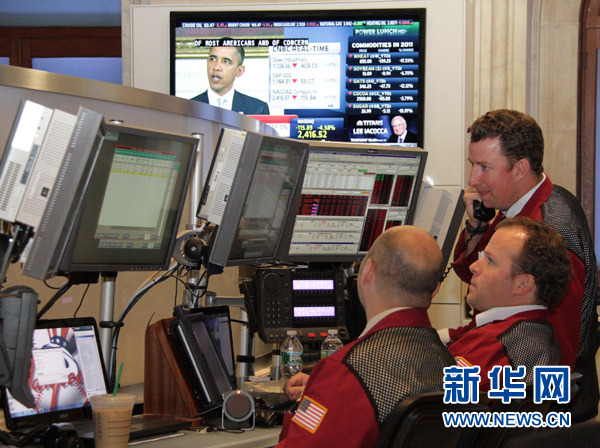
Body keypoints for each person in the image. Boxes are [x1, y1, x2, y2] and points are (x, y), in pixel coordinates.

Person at [445, 109, 598, 420]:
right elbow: (475, 275)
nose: (473, 179)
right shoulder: (516, 206)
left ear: (520, 169)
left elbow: (559, 345)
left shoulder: (550, 231)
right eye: (473, 165)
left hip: (543, 414)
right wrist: (477, 227)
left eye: (484, 167)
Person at [275, 226, 455, 447]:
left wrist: (317, 396)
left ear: (368, 270)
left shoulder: (347, 370)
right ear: (435, 289)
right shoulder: (448, 362)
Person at [447, 217, 568, 390]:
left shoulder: (493, 347)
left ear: (523, 284)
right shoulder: (536, 335)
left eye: (490, 260)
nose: (473, 266)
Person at [191, 45, 270, 115]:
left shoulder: (258, 109)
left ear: (239, 71)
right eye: (213, 59)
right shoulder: (188, 108)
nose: (216, 67)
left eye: (226, 61)